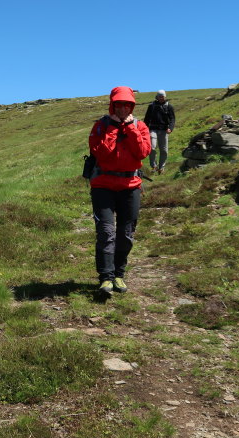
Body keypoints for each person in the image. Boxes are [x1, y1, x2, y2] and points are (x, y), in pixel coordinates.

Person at [88, 86, 151, 295]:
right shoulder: (100, 127)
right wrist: (113, 128)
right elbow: (102, 154)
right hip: (103, 187)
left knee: (126, 233)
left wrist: (131, 128)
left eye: (127, 105)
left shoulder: (140, 126)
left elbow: (142, 152)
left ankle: (119, 275)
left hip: (130, 187)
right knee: (106, 233)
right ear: (112, 105)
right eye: (119, 105)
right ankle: (105, 278)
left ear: (131, 106)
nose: (123, 109)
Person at [144, 90, 175, 174]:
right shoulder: (151, 106)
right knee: (152, 147)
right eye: (159, 96)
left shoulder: (169, 106)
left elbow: (172, 119)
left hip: (164, 130)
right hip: (152, 129)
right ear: (157, 97)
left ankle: (161, 167)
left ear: (165, 97)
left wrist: (170, 128)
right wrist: (145, 129)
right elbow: (146, 118)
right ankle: (154, 166)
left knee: (164, 150)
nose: (161, 98)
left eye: (162, 96)